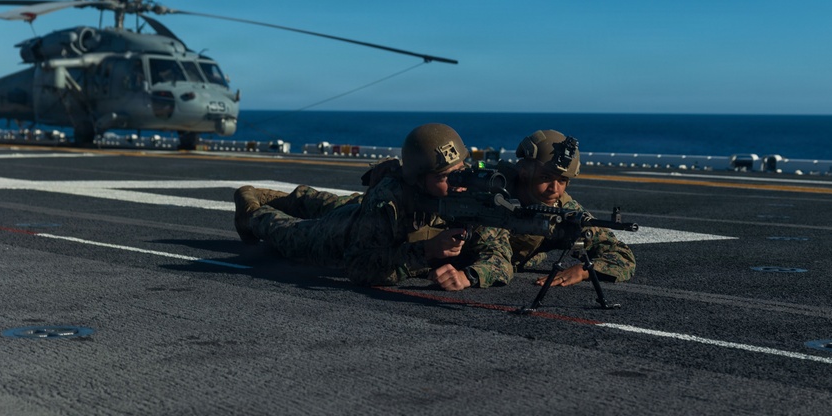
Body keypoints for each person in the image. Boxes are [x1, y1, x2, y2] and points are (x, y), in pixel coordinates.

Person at [233, 123, 513, 291]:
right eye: (444, 177)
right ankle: (250, 205)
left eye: (461, 171)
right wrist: (426, 251)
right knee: (289, 233)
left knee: (324, 201)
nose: (458, 183)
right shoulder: (388, 199)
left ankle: (285, 196)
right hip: (342, 235)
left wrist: (470, 276)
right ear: (418, 179)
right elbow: (359, 267)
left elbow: (501, 257)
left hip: (361, 211)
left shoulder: (469, 197)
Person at [501, 129, 636, 287]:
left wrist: (583, 270)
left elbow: (622, 257)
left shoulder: (563, 210)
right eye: (545, 178)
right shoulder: (493, 191)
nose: (555, 189)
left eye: (562, 180)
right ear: (525, 173)